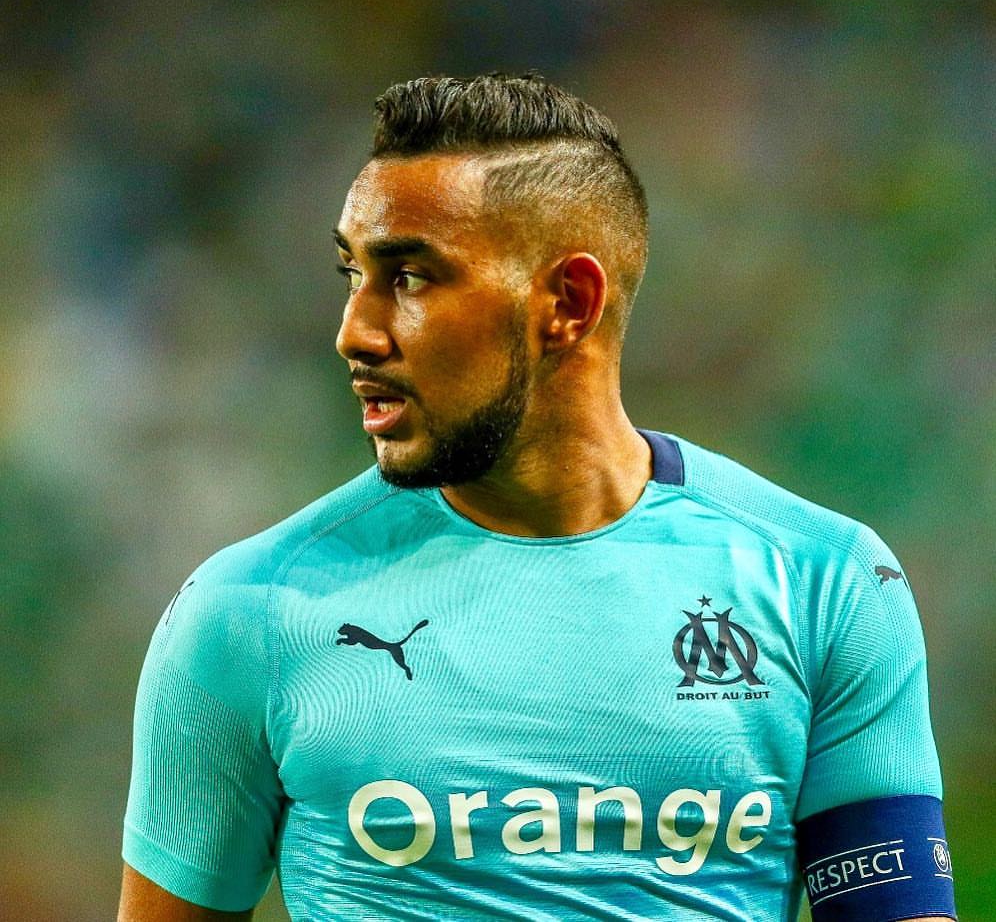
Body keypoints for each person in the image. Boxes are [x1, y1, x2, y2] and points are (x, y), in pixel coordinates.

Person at [118, 73, 957, 922]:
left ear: (568, 302)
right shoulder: (246, 613)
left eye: (409, 277)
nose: (354, 332)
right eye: (353, 273)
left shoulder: (827, 584)